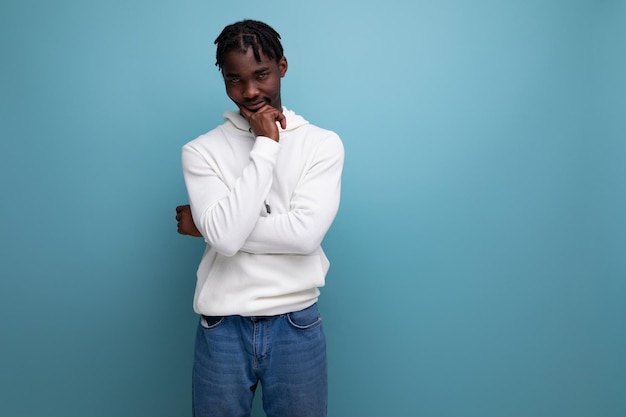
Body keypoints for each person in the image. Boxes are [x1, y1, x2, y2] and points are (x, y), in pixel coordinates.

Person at [175, 19, 344, 417]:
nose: (249, 91)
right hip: (223, 327)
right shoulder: (200, 152)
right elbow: (227, 240)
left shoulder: (322, 144)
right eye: (235, 80)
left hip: (296, 324)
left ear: (282, 67)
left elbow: (304, 236)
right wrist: (266, 145)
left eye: (261, 75)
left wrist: (209, 228)